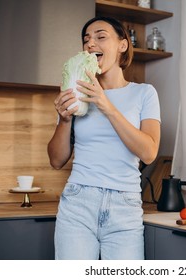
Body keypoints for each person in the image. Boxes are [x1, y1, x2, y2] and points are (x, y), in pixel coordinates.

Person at [47, 16, 161, 260]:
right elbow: (57, 160)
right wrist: (65, 120)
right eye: (86, 39)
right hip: (78, 202)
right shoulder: (76, 92)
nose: (90, 44)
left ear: (122, 45)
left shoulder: (144, 93)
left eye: (100, 37)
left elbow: (149, 153)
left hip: (125, 206)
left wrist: (106, 105)